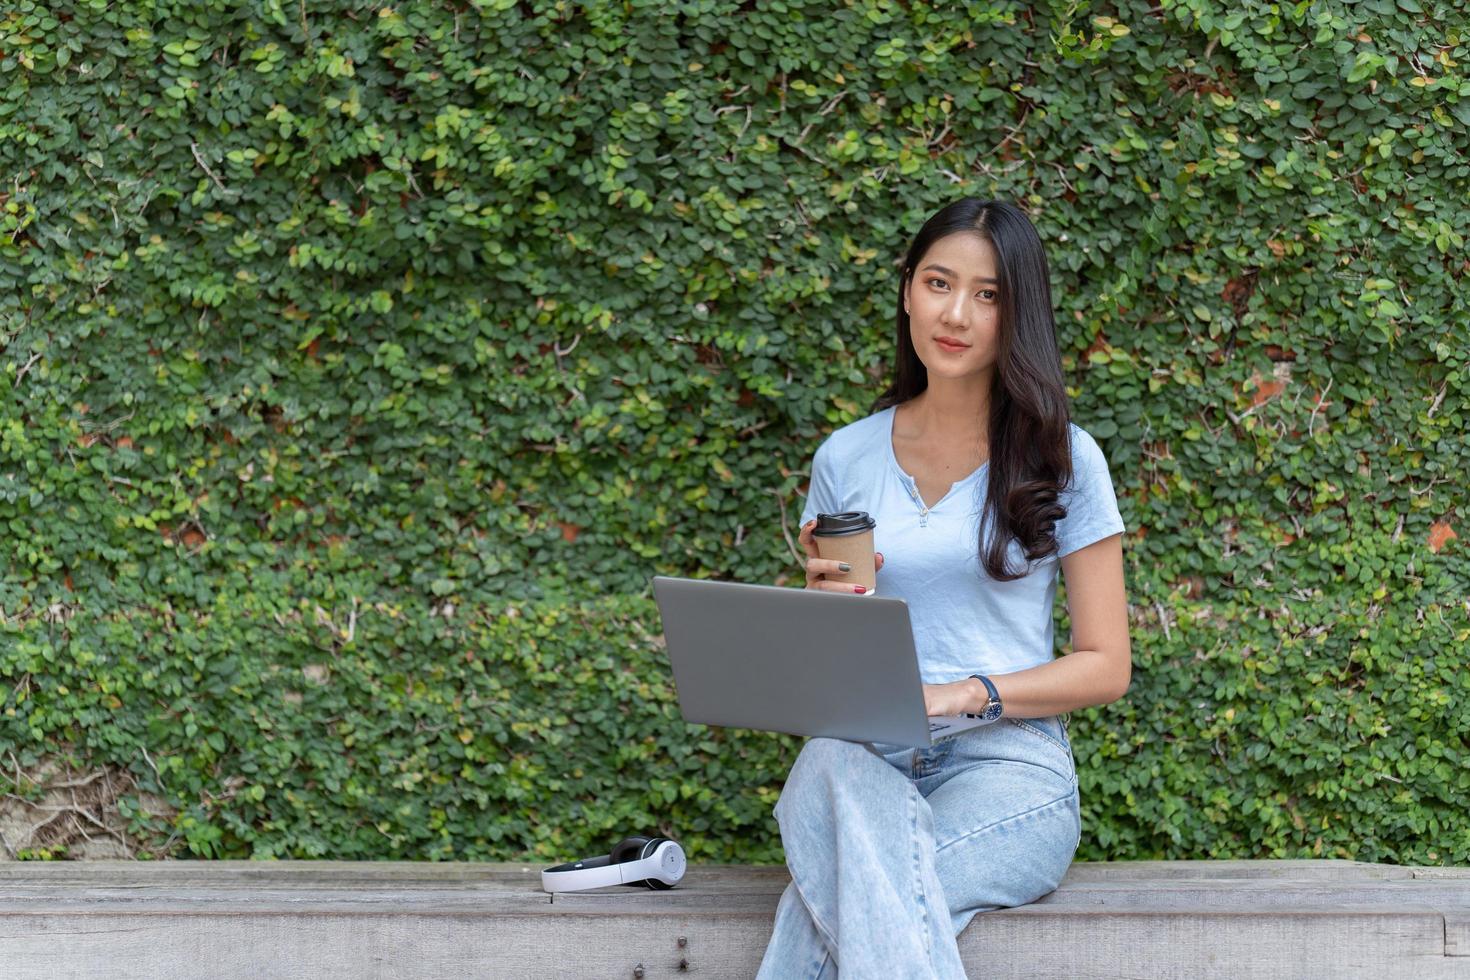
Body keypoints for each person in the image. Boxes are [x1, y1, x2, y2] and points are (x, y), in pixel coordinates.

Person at [756, 198, 1132, 979]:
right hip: (867, 768)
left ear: (1015, 314)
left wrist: (959, 694)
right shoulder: (845, 459)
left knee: (847, 903)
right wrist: (821, 613)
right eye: (938, 283)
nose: (956, 313)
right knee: (824, 762)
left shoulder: (1065, 459)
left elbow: (1106, 665)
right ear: (906, 292)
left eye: (988, 294)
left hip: (1007, 767)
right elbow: (830, 671)